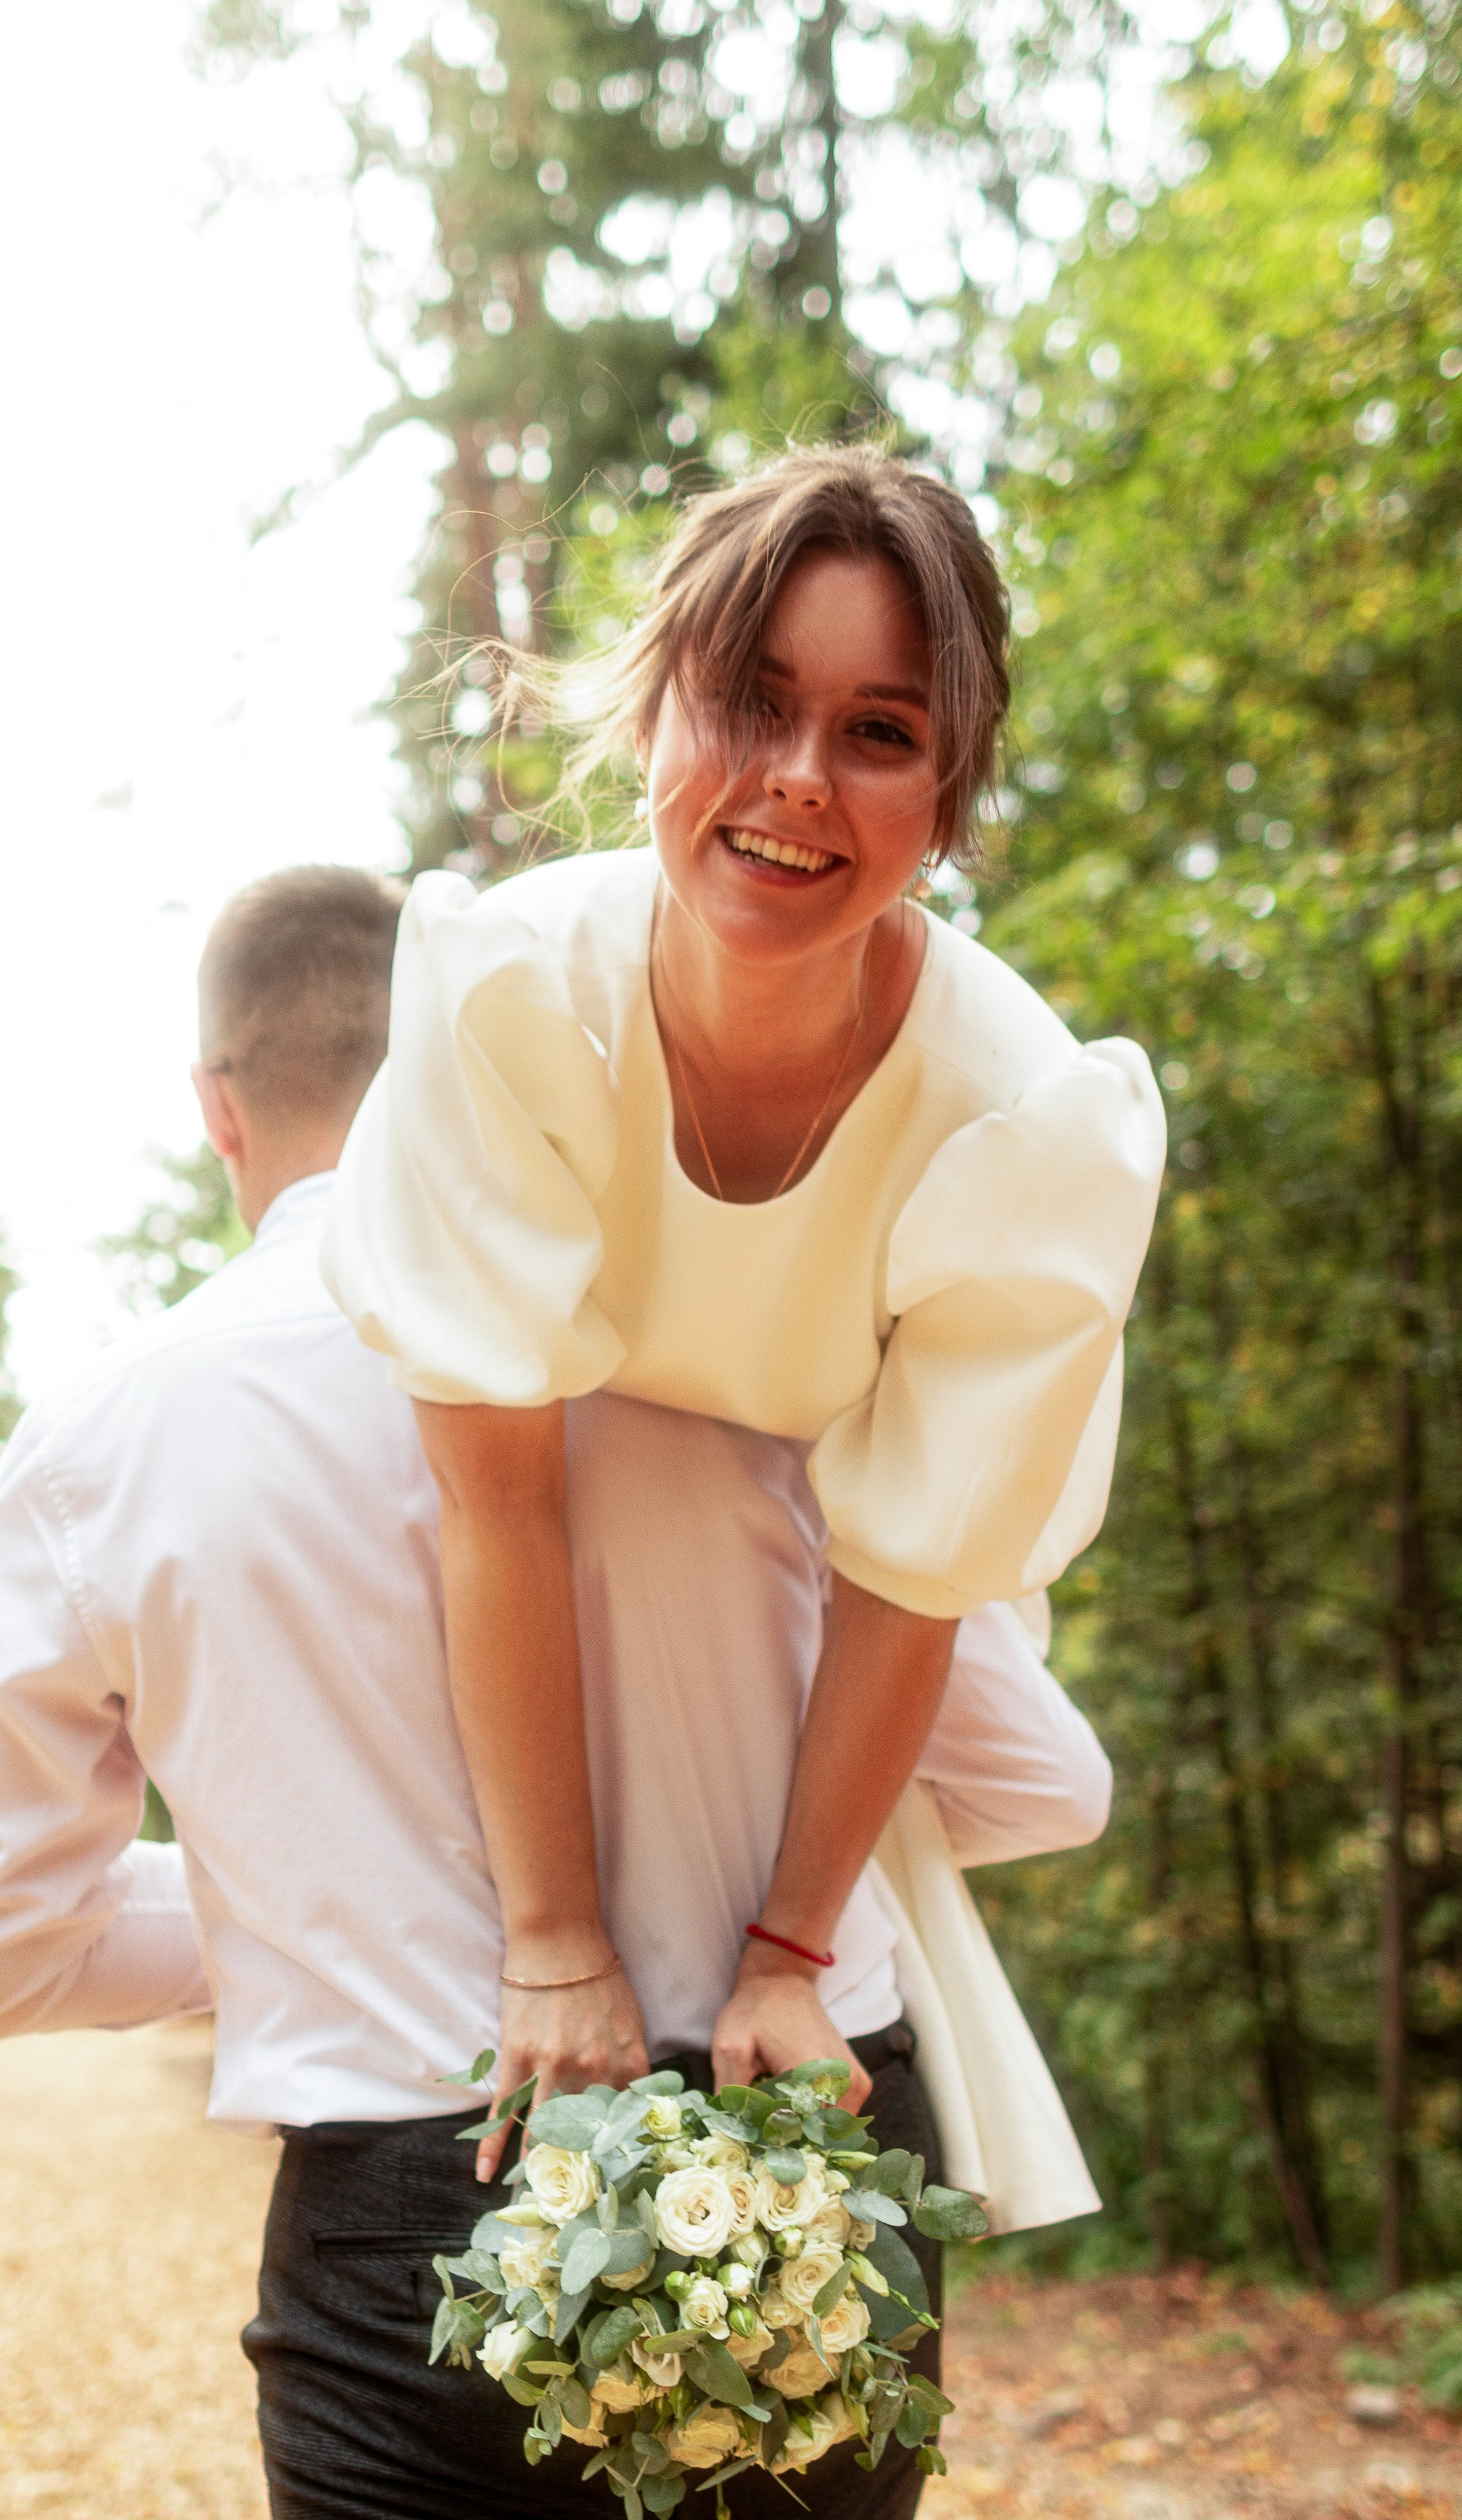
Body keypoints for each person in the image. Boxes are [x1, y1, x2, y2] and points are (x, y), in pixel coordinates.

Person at [0, 862, 1116, 2520]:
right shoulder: (725, 1360)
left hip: (417, 2214)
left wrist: (287, 1890)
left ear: (219, 1108)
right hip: (802, 2166)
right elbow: (1043, 1785)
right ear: (479, 1060)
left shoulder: (101, 1444)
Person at [321, 442, 1166, 2184]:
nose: (797, 783)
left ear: (943, 799)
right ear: (651, 717)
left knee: (1034, 1789)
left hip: (862, 1593)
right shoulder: (511, 1003)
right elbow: (496, 1491)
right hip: (556, 1532)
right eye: (748, 702)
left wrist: (788, 1949)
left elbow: (914, 1565)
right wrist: (553, 1943)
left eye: (877, 733)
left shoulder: (1025, 1124)